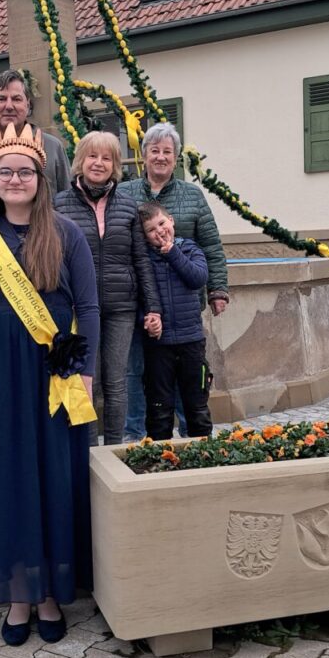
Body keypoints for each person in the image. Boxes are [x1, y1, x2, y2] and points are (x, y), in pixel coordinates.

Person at [0, 122, 99, 647]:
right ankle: (19, 592)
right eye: (6, 172)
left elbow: (89, 308)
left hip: (54, 376)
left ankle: (49, 593)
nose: (15, 180)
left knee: (53, 478)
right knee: (9, 481)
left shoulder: (67, 233)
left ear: (41, 178)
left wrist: (85, 376)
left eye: (25, 172)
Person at [118, 122, 229, 440]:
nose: (161, 157)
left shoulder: (192, 196)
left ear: (176, 157)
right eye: (154, 150)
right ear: (144, 156)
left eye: (167, 151)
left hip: (182, 309)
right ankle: (135, 434)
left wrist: (218, 289)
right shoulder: (124, 193)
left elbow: (211, 246)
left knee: (185, 375)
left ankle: (191, 433)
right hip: (140, 306)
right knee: (136, 371)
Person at [54, 131, 161, 445]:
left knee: (116, 383)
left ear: (115, 165)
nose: (98, 163)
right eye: (92, 156)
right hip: (77, 309)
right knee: (87, 381)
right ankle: (87, 452)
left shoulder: (127, 206)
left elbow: (140, 260)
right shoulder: (59, 204)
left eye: (106, 158)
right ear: (80, 160)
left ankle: (113, 450)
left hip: (120, 308)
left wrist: (153, 307)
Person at [137, 202, 213, 441]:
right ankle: (161, 454)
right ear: (144, 237)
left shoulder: (189, 248)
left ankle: (203, 451)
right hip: (159, 345)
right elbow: (137, 298)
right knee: (159, 409)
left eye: (161, 223)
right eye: (151, 230)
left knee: (197, 405)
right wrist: (146, 320)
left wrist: (172, 253)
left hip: (191, 341)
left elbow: (198, 278)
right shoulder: (143, 261)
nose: (159, 231)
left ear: (171, 220)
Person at [0, 70, 71, 195]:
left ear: (28, 105)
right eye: (1, 99)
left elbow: (67, 199)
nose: (9, 106)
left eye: (16, 99)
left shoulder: (53, 147)